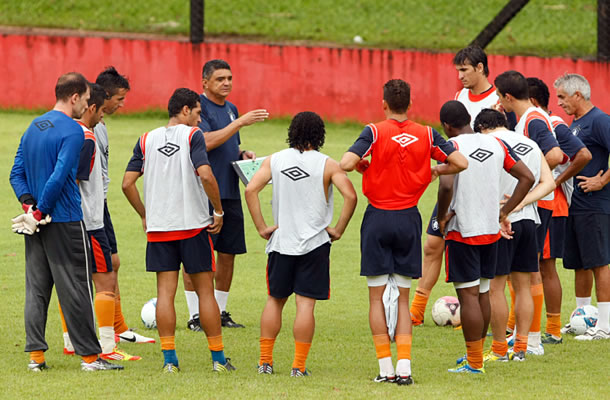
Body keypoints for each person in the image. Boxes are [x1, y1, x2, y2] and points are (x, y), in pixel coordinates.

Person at [341, 80, 468, 384]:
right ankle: (405, 369)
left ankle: (385, 369)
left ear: (383, 103)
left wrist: (361, 164)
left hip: (378, 218)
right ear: (410, 105)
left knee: (375, 299)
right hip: (408, 218)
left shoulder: (373, 131)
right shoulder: (426, 133)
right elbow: (460, 162)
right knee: (401, 298)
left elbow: (346, 162)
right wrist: (435, 169)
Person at [9, 72, 122, 372]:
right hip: (66, 220)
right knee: (76, 289)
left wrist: (30, 207)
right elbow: (61, 176)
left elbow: (15, 173)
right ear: (74, 97)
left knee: (36, 289)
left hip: (37, 224)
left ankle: (36, 358)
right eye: (86, 100)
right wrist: (39, 210)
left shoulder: (34, 126)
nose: (87, 106)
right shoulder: (74, 131)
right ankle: (89, 358)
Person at [122, 88, 235, 372]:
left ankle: (170, 362)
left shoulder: (146, 139)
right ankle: (218, 360)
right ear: (185, 110)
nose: (199, 120)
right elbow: (206, 174)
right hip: (193, 226)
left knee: (165, 293)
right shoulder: (192, 136)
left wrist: (145, 214)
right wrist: (218, 210)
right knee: (205, 293)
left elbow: (126, 183)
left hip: (160, 229)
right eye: (197, 113)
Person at [244, 111, 357, 377]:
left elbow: (250, 190)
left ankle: (265, 363)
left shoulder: (275, 160)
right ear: (320, 135)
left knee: (275, 301)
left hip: (282, 242)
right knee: (305, 306)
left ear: (292, 132)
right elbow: (350, 196)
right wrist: (338, 229)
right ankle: (298, 367)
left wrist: (262, 227)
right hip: (315, 244)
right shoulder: (328, 164)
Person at [410, 45, 516, 326]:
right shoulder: (459, 98)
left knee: (499, 267)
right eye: (457, 70)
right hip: (456, 185)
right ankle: (417, 310)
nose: (460, 76)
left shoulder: (499, 99)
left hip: (485, 191)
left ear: (480, 68)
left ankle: (504, 320)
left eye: (464, 70)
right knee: (432, 245)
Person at [437, 107, 534, 373]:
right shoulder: (496, 143)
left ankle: (475, 363)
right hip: (491, 231)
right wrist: (504, 211)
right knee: (482, 293)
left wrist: (442, 217)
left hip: (463, 229)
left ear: (446, 124)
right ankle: (476, 355)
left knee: (468, 296)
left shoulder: (451, 146)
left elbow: (446, 186)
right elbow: (527, 177)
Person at [185, 59, 269, 330]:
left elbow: (228, 145)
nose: (227, 83)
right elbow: (206, 141)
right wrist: (241, 122)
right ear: (205, 82)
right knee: (198, 255)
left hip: (230, 191)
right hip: (206, 192)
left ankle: (219, 312)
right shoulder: (198, 108)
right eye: (220, 79)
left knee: (228, 253)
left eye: (230, 78)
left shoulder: (231, 109)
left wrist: (243, 155)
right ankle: (196, 315)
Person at [61, 83, 140, 361]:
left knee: (71, 280)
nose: (104, 116)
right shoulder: (86, 138)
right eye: (100, 111)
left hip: (71, 221)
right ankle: (107, 347)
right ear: (90, 107)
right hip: (90, 221)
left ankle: (70, 341)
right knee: (104, 280)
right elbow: (75, 179)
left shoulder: (67, 133)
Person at [474, 109, 555, 362]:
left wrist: (501, 212)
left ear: (483, 127)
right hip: (529, 220)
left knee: (495, 288)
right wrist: (522, 203)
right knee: (523, 287)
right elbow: (549, 183)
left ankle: (499, 349)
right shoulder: (530, 143)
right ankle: (521, 347)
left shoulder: (487, 143)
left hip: (499, 220)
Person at [494, 70, 563, 355]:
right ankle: (526, 336)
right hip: (532, 200)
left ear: (508, 97)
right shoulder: (526, 119)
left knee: (530, 273)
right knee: (524, 273)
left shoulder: (533, 120)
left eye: (499, 96)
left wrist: (527, 186)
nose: (498, 102)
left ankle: (533, 340)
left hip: (538, 202)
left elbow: (557, 155)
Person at [526, 77, 591, 343]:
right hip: (536, 203)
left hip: (552, 205)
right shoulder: (527, 124)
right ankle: (518, 326)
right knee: (528, 265)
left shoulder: (551, 124)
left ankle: (552, 329)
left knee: (545, 266)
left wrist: (555, 181)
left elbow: (582, 155)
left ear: (529, 101)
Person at [94, 66, 154, 344]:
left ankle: (119, 328)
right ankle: (105, 336)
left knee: (113, 263)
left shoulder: (101, 124)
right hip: (89, 206)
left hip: (101, 203)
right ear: (104, 96)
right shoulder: (86, 126)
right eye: (119, 98)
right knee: (97, 270)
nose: (122, 104)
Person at [554, 73, 610, 340]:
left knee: (599, 263)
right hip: (575, 205)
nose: (559, 103)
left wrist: (602, 179)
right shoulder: (575, 123)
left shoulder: (599, 120)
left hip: (595, 205)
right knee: (580, 264)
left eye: (562, 97)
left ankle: (605, 325)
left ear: (578, 95)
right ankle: (581, 318)